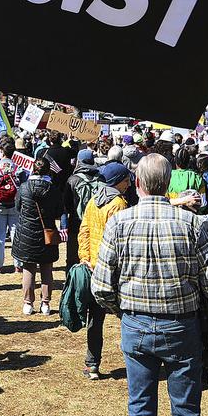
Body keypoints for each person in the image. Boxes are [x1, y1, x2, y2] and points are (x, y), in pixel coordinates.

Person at [91, 153, 208, 416]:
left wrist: (124, 310)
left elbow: (101, 287)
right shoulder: (191, 224)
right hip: (180, 326)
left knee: (140, 414)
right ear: (168, 184)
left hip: (137, 324)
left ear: (137, 183)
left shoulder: (119, 224)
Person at [77, 160, 130, 380]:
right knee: (127, 317)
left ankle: (92, 365)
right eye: (126, 180)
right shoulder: (118, 204)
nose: (129, 184)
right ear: (117, 182)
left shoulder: (94, 200)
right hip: (113, 270)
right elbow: (119, 238)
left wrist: (85, 258)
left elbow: (85, 231)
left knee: (95, 319)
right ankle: (134, 360)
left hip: (93, 268)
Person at [12, 156, 63, 316]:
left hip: (27, 233)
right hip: (46, 231)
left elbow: (18, 207)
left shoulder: (24, 187)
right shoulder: (53, 189)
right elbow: (58, 211)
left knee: (28, 269)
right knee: (47, 269)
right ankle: (45, 304)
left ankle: (28, 303)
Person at [0, 138, 25, 272]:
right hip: (14, 205)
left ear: (1, 152)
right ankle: (18, 265)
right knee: (15, 234)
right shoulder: (18, 168)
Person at [64, 148, 102, 269]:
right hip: (96, 223)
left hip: (76, 223)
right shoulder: (101, 178)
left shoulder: (72, 180)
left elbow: (67, 205)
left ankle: (73, 283)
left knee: (73, 257)